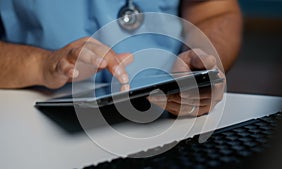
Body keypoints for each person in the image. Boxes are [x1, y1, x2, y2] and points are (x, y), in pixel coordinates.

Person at [0, 0, 242, 116]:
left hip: (174, 121)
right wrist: (40, 63)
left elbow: (214, 9)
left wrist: (202, 66)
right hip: (36, 122)